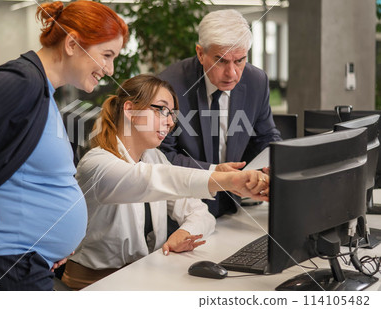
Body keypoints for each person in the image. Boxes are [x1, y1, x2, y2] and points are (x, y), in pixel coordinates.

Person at [0, 0, 128, 290]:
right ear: (72, 43)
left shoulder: (43, 90)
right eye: (106, 55)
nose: (110, 69)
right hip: (0, 259)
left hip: (23, 258)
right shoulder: (24, 81)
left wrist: (50, 242)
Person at [61, 74, 269, 290]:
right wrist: (227, 179)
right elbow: (151, 180)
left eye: (172, 114)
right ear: (130, 110)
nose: (170, 122)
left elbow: (200, 213)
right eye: (161, 110)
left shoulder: (154, 157)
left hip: (141, 276)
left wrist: (184, 232)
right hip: (94, 284)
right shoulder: (97, 163)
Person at [159, 9, 281, 219]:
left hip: (232, 208)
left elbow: (266, 137)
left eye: (240, 60)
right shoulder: (170, 86)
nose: (232, 73)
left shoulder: (256, 81)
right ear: (200, 53)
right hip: (179, 212)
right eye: (221, 61)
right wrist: (216, 172)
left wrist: (275, 166)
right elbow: (161, 157)